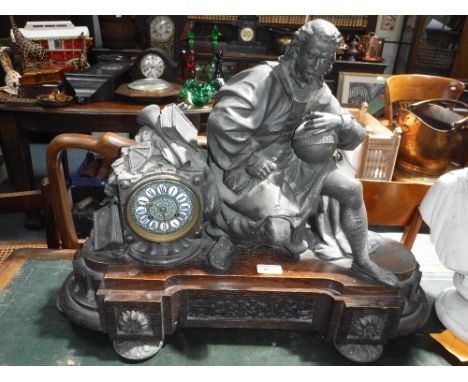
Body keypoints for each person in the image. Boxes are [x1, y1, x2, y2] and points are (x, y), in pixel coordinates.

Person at [206, 19, 398, 288]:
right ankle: (231, 236)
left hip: (297, 162)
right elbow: (222, 120)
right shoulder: (262, 78)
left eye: (325, 59)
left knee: (351, 189)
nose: (318, 65)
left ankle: (362, 260)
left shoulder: (319, 90)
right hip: (251, 165)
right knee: (277, 233)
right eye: (313, 55)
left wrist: (339, 123)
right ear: (297, 50)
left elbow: (356, 135)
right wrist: (250, 158)